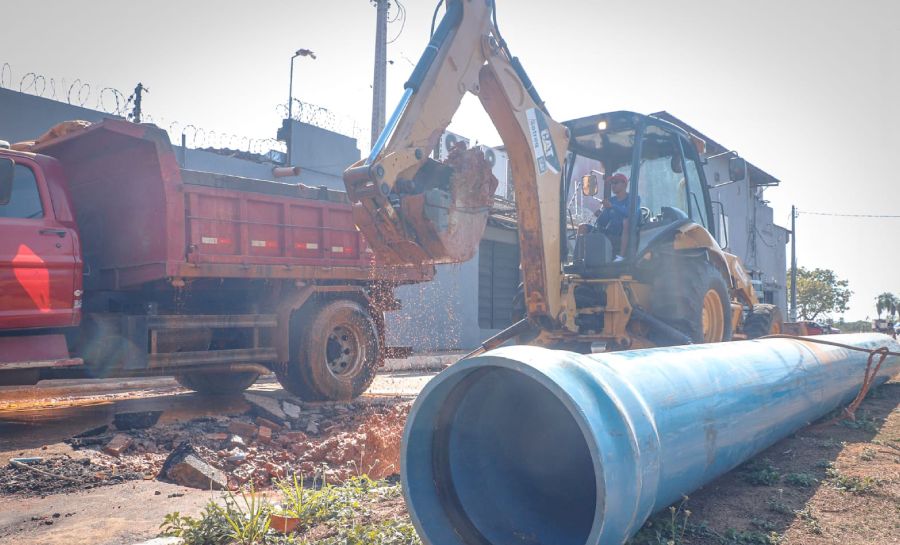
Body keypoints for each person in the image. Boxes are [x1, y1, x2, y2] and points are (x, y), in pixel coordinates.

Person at [593, 172, 637, 261]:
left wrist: (612, 206)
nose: (613, 185)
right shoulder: (611, 200)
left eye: (616, 182)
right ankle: (578, 259)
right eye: (612, 183)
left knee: (626, 221)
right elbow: (602, 223)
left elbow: (631, 214)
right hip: (611, 232)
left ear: (624, 184)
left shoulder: (634, 199)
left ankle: (621, 257)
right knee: (583, 227)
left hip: (627, 233)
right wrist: (600, 214)